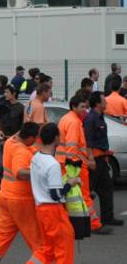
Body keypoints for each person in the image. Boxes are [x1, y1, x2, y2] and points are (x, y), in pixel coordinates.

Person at [0, 122, 44, 263]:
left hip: (6, 197)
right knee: (39, 242)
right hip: (21, 201)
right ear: (30, 137)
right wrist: (41, 171)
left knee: (1, 235)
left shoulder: (10, 142)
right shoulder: (21, 152)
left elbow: (26, 143)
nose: (36, 142)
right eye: (35, 138)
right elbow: (20, 172)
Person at [58, 93, 109, 234]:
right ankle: (94, 224)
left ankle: (67, 223)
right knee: (83, 195)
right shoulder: (74, 122)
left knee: (68, 196)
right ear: (73, 107)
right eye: (82, 107)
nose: (85, 110)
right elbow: (72, 148)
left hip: (66, 164)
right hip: (74, 165)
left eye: (86, 107)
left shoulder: (66, 119)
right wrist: (82, 164)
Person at [31, 123, 77, 264]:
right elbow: (56, 195)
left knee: (47, 249)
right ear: (56, 138)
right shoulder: (53, 164)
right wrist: (70, 183)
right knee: (64, 247)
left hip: (40, 208)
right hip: (53, 211)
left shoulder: (36, 157)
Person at [84, 93, 122, 227]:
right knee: (87, 191)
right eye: (104, 101)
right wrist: (91, 159)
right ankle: (84, 220)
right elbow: (88, 140)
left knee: (107, 189)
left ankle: (108, 218)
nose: (106, 103)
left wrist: (105, 156)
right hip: (94, 159)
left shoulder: (100, 117)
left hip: (102, 158)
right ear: (98, 104)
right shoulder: (91, 119)